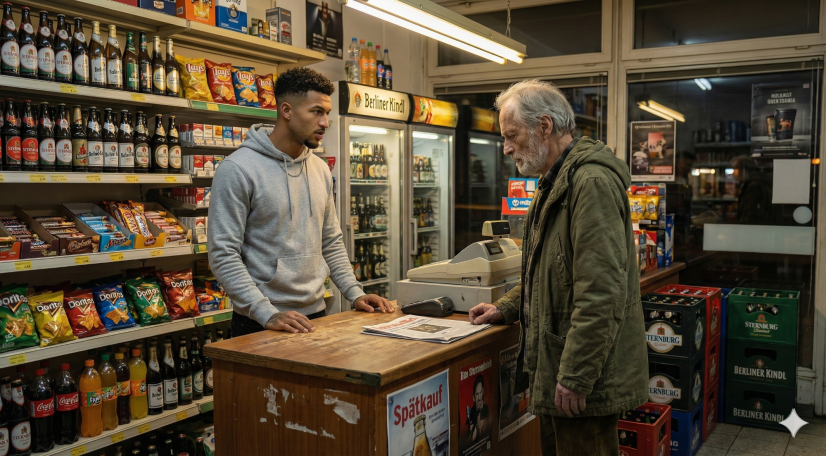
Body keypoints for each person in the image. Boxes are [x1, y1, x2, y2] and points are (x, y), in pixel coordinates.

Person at [468, 80, 648, 456]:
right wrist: (506, 307)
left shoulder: (590, 183)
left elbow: (601, 292)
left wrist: (576, 375)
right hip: (559, 367)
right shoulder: (552, 183)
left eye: (512, 135)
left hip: (584, 379)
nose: (506, 148)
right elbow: (546, 270)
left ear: (544, 126)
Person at [208, 67, 394, 337]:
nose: (325, 123)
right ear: (286, 110)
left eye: (327, 113)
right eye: (316, 112)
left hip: (316, 313)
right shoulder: (237, 169)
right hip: (260, 322)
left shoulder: (319, 169)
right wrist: (265, 312)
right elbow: (223, 254)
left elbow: (330, 242)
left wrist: (355, 293)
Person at [466, 374, 490, 445]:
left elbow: (488, 432)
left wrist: (481, 430)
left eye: (480, 393)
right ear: (473, 397)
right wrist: (471, 434)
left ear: (483, 392)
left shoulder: (485, 409)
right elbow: (465, 442)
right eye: (477, 394)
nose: (479, 398)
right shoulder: (470, 414)